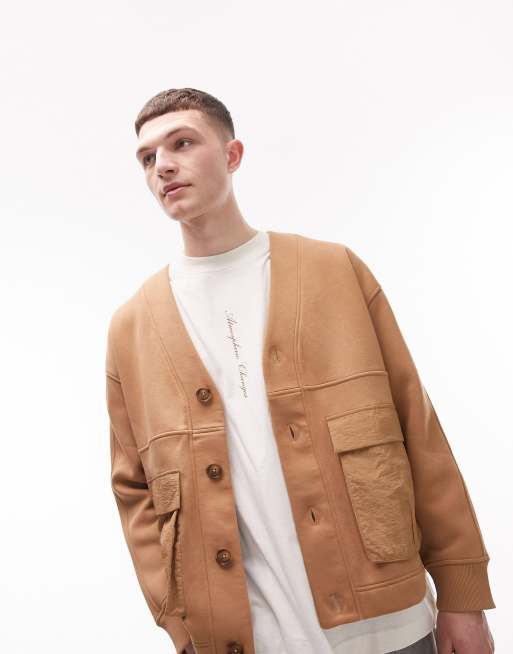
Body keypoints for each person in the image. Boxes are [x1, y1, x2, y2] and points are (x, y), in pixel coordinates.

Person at [105, 88, 496, 654]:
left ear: (233, 155)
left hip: (389, 624)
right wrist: (180, 623)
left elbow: (420, 431)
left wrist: (463, 595)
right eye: (147, 158)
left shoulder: (334, 271)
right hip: (246, 639)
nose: (162, 165)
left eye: (182, 143)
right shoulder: (133, 326)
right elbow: (133, 489)